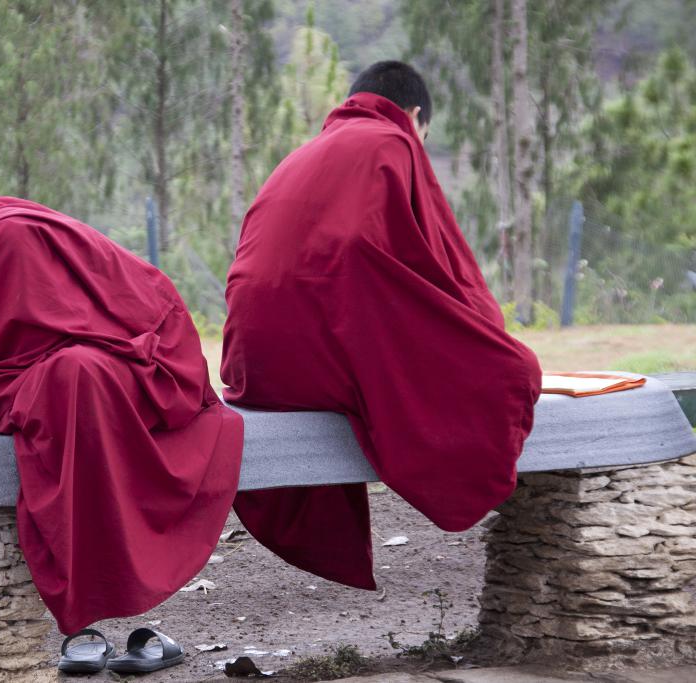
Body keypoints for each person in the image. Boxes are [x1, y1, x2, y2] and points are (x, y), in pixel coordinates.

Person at [220, 61, 542, 588]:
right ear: (414, 116)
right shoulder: (393, 143)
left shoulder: (301, 155)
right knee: (515, 370)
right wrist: (488, 338)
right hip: (321, 357)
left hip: (253, 366)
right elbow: (449, 268)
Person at [0, 192, 244, 637]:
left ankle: (97, 593)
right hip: (34, 361)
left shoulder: (11, 237)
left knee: (68, 378)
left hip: (137, 352)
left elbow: (60, 335)